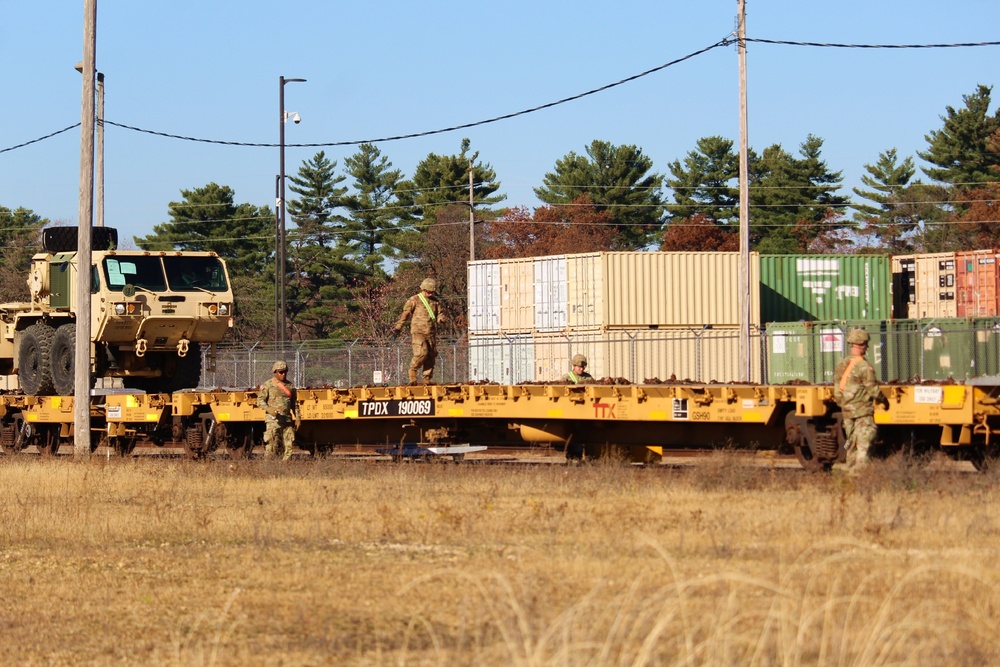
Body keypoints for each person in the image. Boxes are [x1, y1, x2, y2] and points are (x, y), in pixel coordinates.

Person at [833, 329, 888, 471]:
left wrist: (844, 405)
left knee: (850, 442)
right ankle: (859, 475)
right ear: (862, 344)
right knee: (865, 442)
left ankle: (849, 469)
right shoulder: (864, 366)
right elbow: (873, 389)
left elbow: (837, 388)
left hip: (847, 412)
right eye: (866, 344)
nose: (867, 347)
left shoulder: (841, 364)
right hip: (862, 412)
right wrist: (884, 401)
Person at [393, 278, 446, 384]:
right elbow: (406, 313)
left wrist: (441, 318)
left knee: (431, 355)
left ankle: (427, 378)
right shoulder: (414, 300)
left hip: (431, 332)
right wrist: (399, 326)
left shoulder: (435, 301)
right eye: (429, 292)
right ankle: (412, 373)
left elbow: (441, 312)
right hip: (418, 331)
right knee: (422, 352)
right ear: (424, 289)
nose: (431, 294)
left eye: (432, 292)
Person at [257, 361, 298, 461]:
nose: (283, 374)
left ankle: (285, 466)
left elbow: (294, 404)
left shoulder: (290, 386)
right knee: (272, 444)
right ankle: (268, 466)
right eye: (280, 372)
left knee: (289, 445)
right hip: (273, 420)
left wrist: (298, 417)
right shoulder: (268, 385)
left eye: (285, 372)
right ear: (275, 372)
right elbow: (259, 400)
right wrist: (268, 409)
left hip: (287, 419)